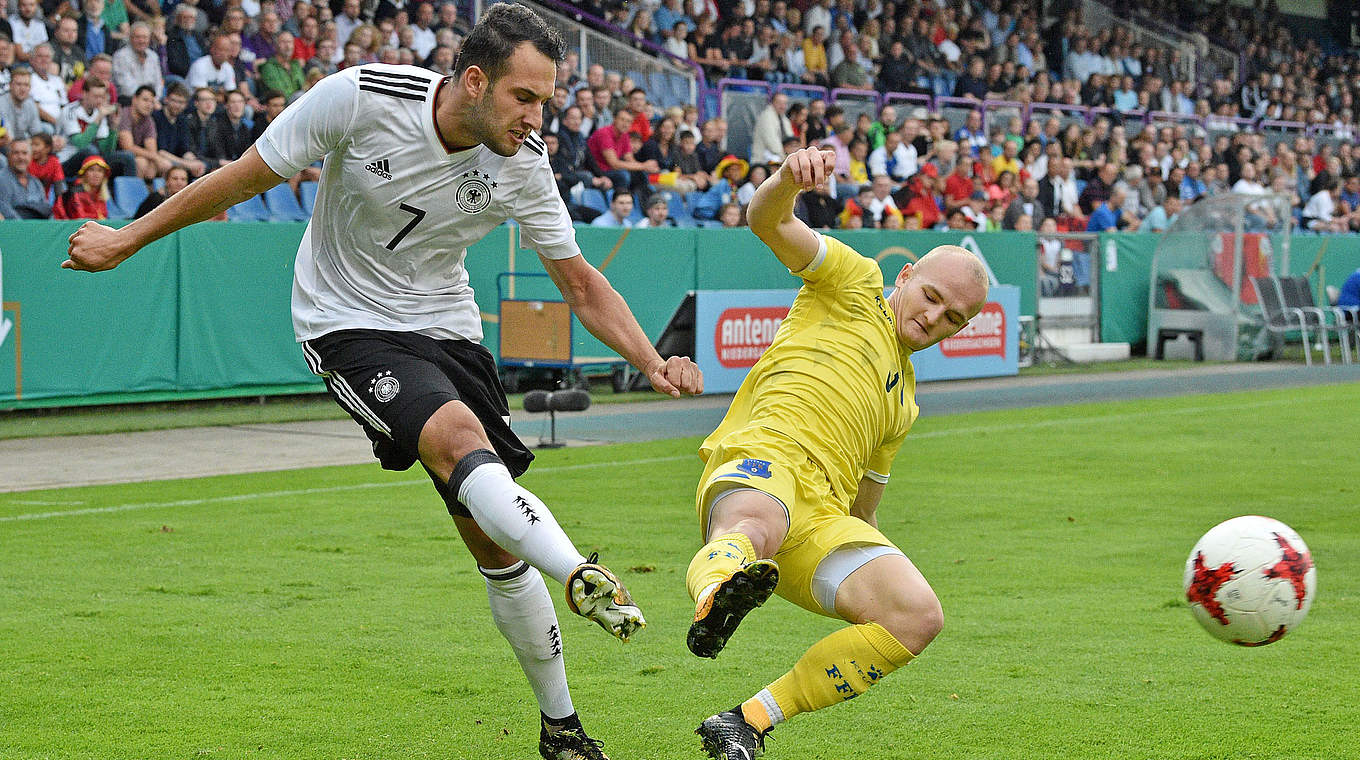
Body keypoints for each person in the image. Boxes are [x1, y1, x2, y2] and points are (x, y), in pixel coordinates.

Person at [63, 6, 703, 760]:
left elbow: (582, 285)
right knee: (458, 441)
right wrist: (124, 239)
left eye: (547, 101)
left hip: (449, 331)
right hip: (344, 320)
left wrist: (652, 358)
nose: (538, 117)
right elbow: (240, 180)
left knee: (497, 547)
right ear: (474, 80)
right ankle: (581, 572)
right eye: (524, 98)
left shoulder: (523, 164)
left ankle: (561, 730)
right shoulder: (362, 98)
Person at [687, 146, 989, 760]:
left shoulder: (904, 401)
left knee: (917, 615)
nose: (934, 318)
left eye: (953, 318)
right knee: (758, 524)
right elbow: (766, 220)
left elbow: (864, 509)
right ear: (905, 276)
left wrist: (880, 564)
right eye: (930, 297)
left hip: (821, 517)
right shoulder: (853, 282)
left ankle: (746, 722)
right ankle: (716, 598)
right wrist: (784, 181)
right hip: (764, 459)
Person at [0, 138, 52, 219]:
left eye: (25, 153)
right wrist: (26, 228)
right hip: (12, 230)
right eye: (16, 153)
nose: (21, 157)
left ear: (31, 157)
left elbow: (46, 210)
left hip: (38, 229)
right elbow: (5, 210)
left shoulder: (36, 183)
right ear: (8, 156)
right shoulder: (1, 179)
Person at [53, 154, 110, 219]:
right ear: (84, 174)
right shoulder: (76, 193)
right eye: (91, 170)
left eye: (100, 171)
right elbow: (80, 218)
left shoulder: (100, 195)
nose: (96, 174)